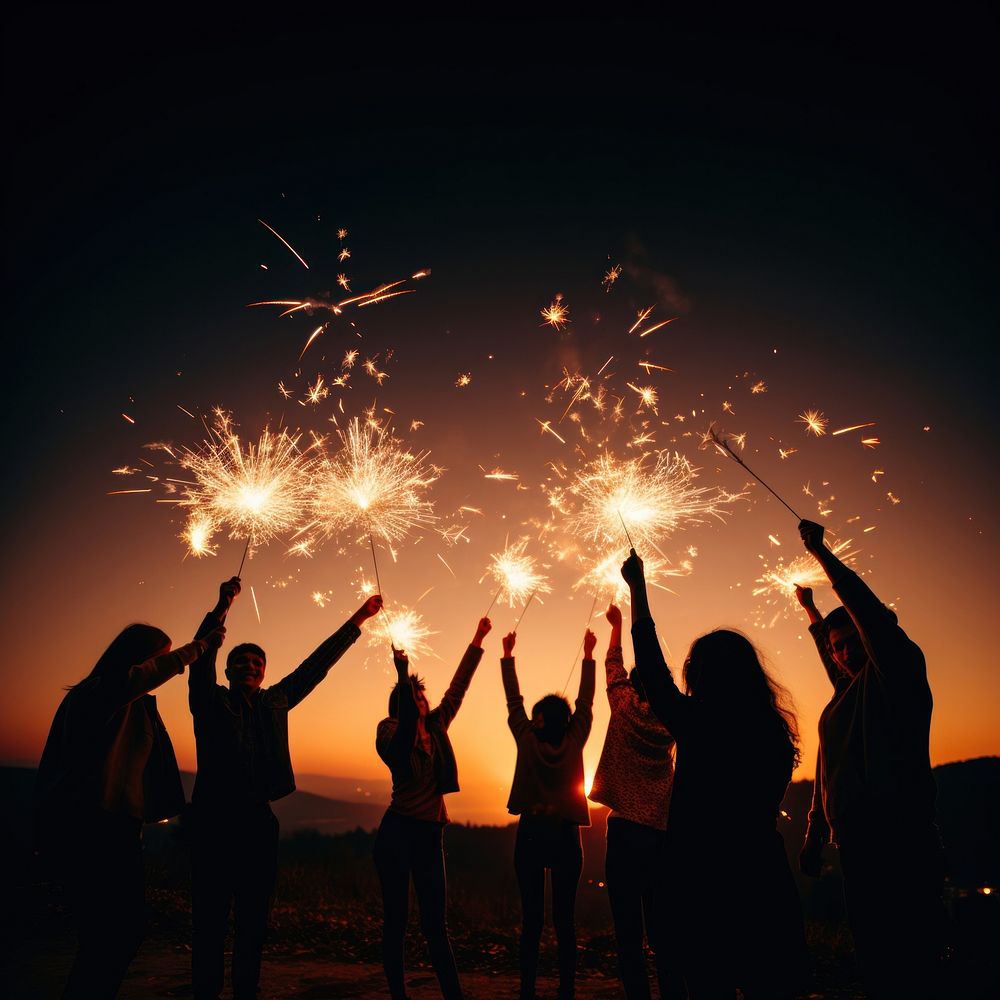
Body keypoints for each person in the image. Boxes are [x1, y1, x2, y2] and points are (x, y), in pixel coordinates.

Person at [622, 548, 806, 999]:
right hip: (761, 876)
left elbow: (651, 669)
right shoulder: (773, 735)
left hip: (700, 882)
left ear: (698, 674)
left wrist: (639, 589)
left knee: (708, 986)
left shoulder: (698, 725)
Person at [187, 577, 382, 1000]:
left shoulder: (276, 701)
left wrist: (359, 618)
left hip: (258, 822)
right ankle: (205, 991)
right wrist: (222, 605)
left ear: (264, 672)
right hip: (213, 822)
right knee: (210, 919)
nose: (251, 667)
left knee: (253, 919)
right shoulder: (209, 701)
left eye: (257, 663)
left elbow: (316, 665)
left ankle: (246, 991)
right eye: (242, 662)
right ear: (227, 668)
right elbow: (200, 659)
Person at [796, 519, 947, 999]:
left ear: (874, 633)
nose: (842, 654)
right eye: (836, 648)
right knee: (874, 958)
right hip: (856, 843)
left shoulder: (896, 673)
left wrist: (824, 556)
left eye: (852, 642)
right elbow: (829, 770)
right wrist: (815, 830)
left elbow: (869, 614)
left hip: (901, 838)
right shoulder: (846, 694)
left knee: (910, 959)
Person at [36, 617, 224, 999]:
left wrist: (221, 608)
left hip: (120, 828)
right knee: (111, 933)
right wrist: (200, 646)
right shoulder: (99, 692)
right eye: (161, 658)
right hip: (90, 827)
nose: (167, 667)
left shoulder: (137, 706)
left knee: (116, 932)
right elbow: (145, 677)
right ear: (137, 659)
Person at [373, 616, 492, 1000]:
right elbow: (405, 731)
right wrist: (402, 670)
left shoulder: (439, 726)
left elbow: (458, 688)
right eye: (412, 697)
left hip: (430, 834)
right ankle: (398, 995)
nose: (420, 701)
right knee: (396, 922)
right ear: (401, 705)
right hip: (398, 833)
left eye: (421, 696)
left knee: (435, 925)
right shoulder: (388, 730)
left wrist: (477, 639)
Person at [589, 603, 683, 1000]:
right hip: (662, 835)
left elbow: (613, 666)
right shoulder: (673, 721)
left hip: (625, 831)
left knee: (628, 933)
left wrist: (617, 626)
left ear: (634, 684)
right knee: (664, 932)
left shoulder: (624, 707)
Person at [501, 627, 595, 1000]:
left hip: (531, 833)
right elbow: (586, 702)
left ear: (539, 719)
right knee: (565, 921)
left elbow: (513, 702)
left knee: (532, 921)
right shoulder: (575, 740)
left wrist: (508, 657)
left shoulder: (526, 738)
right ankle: (566, 990)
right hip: (566, 835)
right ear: (566, 720)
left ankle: (527, 989)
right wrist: (588, 655)